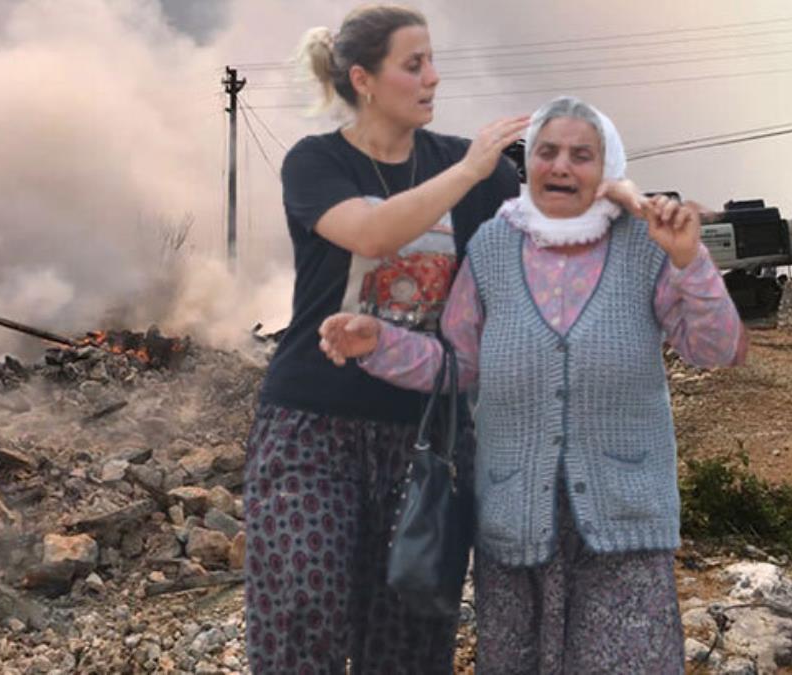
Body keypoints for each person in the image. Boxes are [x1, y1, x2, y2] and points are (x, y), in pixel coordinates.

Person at [243, 5, 644, 673]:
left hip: (427, 436)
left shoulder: (479, 169)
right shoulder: (316, 163)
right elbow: (373, 235)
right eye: (414, 63)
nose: (433, 76)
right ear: (365, 80)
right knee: (300, 613)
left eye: (432, 60)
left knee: (409, 639)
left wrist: (622, 199)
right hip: (309, 427)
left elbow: (551, 223)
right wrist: (468, 171)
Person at [318, 95, 746, 672]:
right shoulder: (493, 249)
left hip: (626, 528)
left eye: (581, 154)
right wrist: (379, 343)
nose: (561, 166)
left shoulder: (647, 246)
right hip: (514, 525)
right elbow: (459, 364)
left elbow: (715, 348)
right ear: (530, 164)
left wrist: (690, 262)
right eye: (547, 151)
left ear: (608, 167)